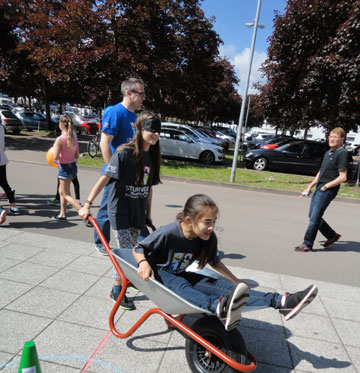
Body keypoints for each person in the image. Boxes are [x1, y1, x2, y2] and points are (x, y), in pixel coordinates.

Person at [133, 194, 318, 331]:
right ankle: (217, 307)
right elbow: (138, 248)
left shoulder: (206, 237)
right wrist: (143, 263)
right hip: (158, 274)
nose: (212, 227)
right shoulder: (169, 232)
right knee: (183, 287)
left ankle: (281, 301)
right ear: (189, 220)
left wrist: (235, 281)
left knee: (221, 286)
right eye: (207, 222)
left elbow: (214, 262)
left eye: (214, 221)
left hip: (179, 273)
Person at [77, 111, 162, 310]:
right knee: (126, 254)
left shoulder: (153, 156)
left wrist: (148, 216)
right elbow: (104, 179)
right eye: (151, 130)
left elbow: (148, 189)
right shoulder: (124, 153)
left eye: (158, 130)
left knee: (137, 251)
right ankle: (116, 291)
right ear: (140, 130)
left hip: (137, 212)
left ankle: (128, 280)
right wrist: (88, 203)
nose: (156, 134)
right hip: (120, 211)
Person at [95, 77, 146, 255]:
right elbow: (104, 143)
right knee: (106, 210)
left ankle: (136, 241)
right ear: (128, 93)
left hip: (130, 173)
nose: (143, 97)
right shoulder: (115, 112)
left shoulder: (135, 117)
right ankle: (100, 242)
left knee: (127, 208)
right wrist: (112, 170)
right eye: (141, 93)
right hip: (115, 172)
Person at [295, 127, 348, 252]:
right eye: (330, 136)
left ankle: (307, 243)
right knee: (313, 216)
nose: (332, 139)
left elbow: (343, 177)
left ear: (342, 139)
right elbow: (321, 172)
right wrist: (310, 187)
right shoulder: (328, 152)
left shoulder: (342, 153)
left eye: (335, 137)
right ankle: (331, 236)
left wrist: (326, 186)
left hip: (327, 190)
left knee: (314, 217)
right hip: (320, 189)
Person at [51, 114, 79, 221]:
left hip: (65, 168)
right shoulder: (74, 137)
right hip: (73, 167)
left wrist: (54, 150)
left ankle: (84, 212)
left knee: (66, 194)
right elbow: (77, 155)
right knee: (62, 191)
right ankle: (62, 214)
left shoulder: (60, 139)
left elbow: (55, 157)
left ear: (61, 125)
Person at [0, 117, 19, 215]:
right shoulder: (1, 127)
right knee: (4, 183)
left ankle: (1, 211)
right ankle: (13, 206)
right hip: (2, 158)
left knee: (4, 183)